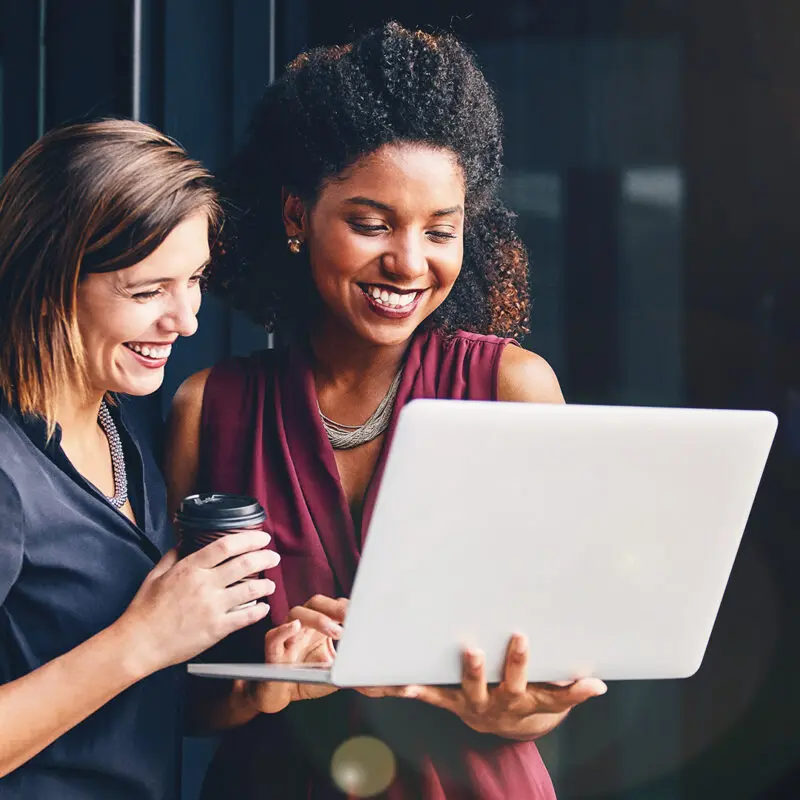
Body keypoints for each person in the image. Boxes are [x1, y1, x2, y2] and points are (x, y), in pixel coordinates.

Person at [167, 23, 607, 799]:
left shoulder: (514, 389)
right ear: (297, 214)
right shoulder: (211, 410)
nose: (410, 261)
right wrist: (260, 685)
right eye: (371, 224)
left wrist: (515, 714)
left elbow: (552, 678)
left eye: (442, 230)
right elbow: (173, 695)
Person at [0, 120, 280, 800]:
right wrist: (144, 638)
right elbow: (131, 655)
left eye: (195, 280)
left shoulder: (118, 425)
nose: (184, 320)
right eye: (147, 291)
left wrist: (260, 684)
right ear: (50, 280)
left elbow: (121, 714)